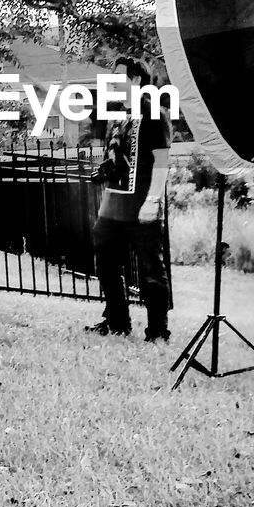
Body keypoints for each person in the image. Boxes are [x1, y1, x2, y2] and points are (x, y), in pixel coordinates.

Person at [86, 57, 172, 342]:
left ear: (136, 80)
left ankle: (158, 331)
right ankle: (116, 322)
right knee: (106, 265)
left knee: (150, 269)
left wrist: (153, 200)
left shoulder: (154, 113)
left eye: (118, 76)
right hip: (112, 207)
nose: (112, 82)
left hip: (141, 207)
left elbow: (162, 161)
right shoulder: (116, 113)